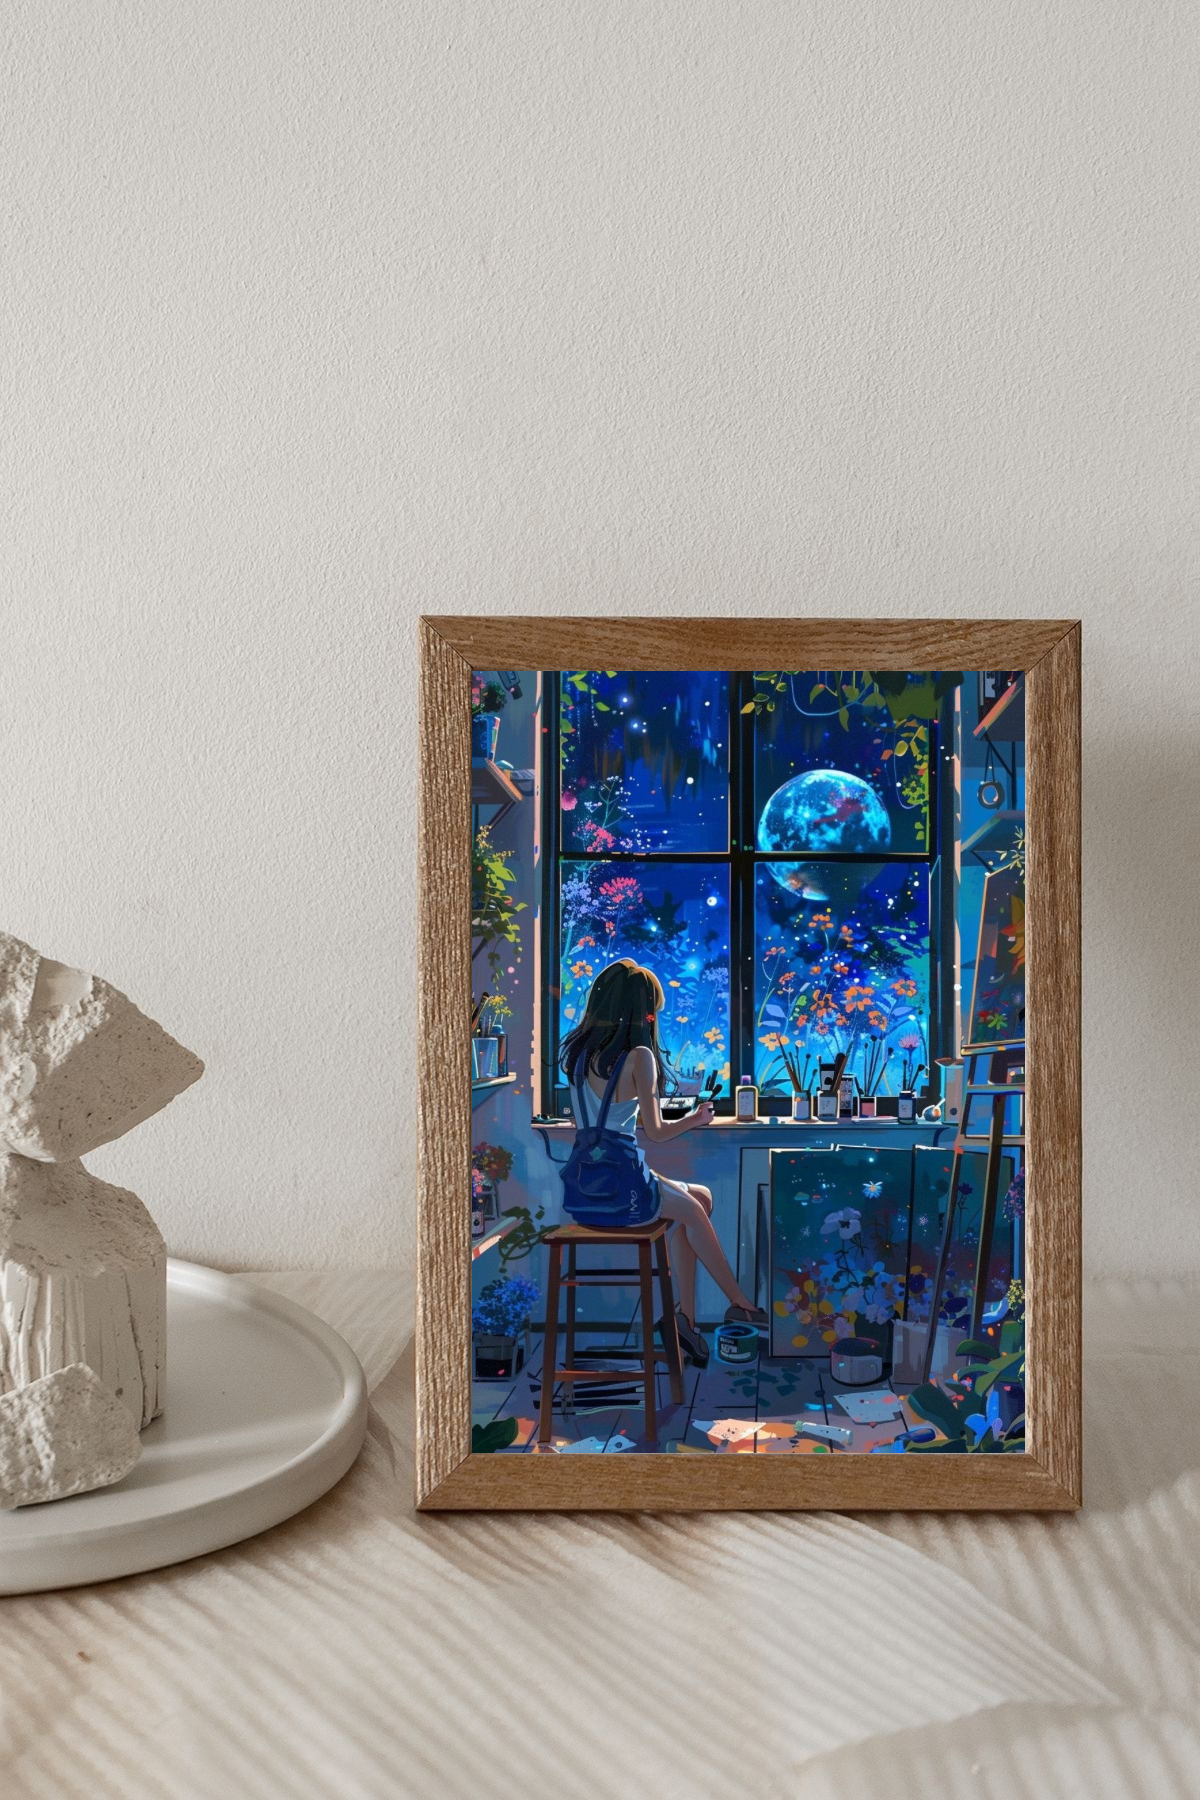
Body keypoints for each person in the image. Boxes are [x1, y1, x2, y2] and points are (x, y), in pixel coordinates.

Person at [559, 958, 767, 1366]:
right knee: (693, 1211)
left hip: (586, 1191)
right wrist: (697, 1119)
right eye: (653, 1010)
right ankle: (740, 1303)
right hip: (624, 1194)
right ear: (641, 1011)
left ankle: (685, 1319)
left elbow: (595, 1124)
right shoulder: (639, 1056)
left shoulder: (580, 1054)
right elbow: (655, 1132)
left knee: (701, 1198)